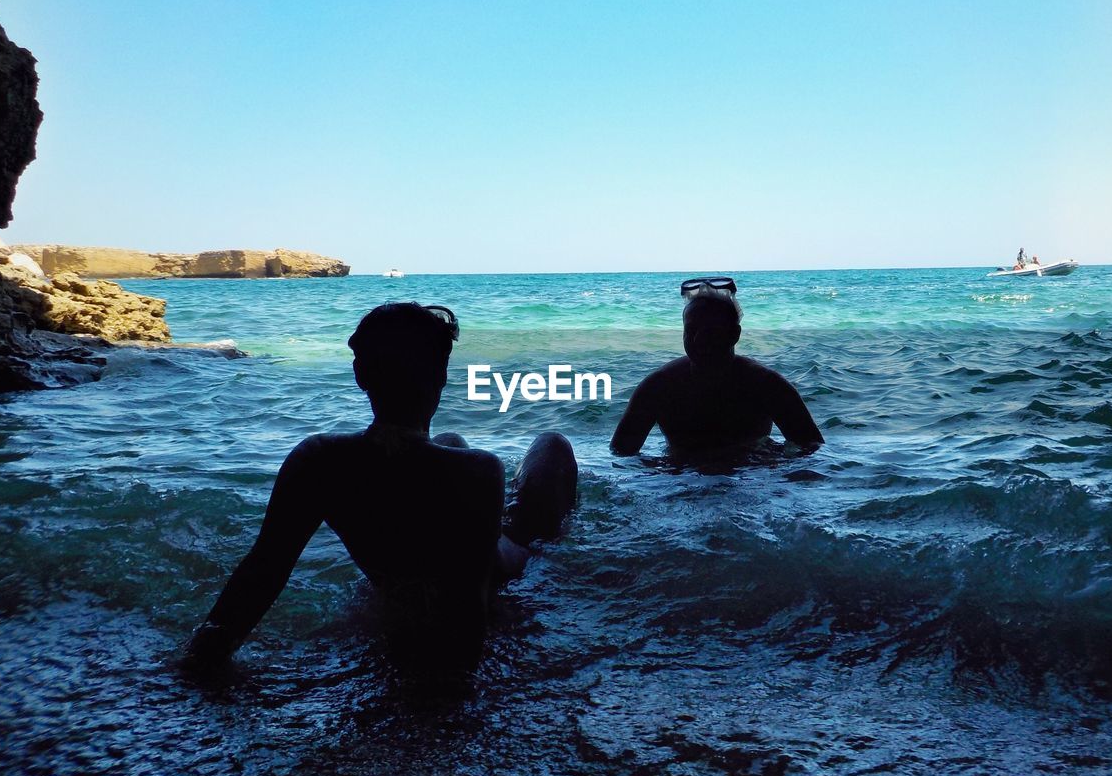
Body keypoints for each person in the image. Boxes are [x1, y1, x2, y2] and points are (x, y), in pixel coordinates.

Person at [183, 302, 577, 671]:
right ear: (441, 375)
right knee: (552, 444)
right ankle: (518, 517)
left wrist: (203, 657)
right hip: (501, 565)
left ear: (360, 376)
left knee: (451, 440)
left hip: (405, 551)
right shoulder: (480, 472)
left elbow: (263, 570)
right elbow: (469, 610)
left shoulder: (317, 459)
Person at [610, 277, 824, 455]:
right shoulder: (658, 387)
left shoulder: (766, 385)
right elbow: (622, 453)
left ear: (734, 335)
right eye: (691, 330)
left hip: (748, 478)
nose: (698, 339)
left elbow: (811, 448)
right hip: (681, 477)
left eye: (711, 331)